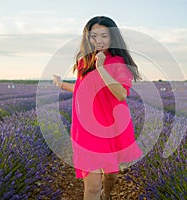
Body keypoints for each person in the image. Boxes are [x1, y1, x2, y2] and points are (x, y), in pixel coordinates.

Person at [53, 16, 142, 200]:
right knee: (92, 188)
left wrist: (101, 68)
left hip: (112, 128)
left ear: (113, 38)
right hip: (85, 130)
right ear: (88, 38)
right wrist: (62, 84)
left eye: (104, 36)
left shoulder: (119, 63)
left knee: (111, 174)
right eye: (94, 36)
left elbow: (121, 94)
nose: (99, 41)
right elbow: (81, 89)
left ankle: (107, 194)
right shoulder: (83, 63)